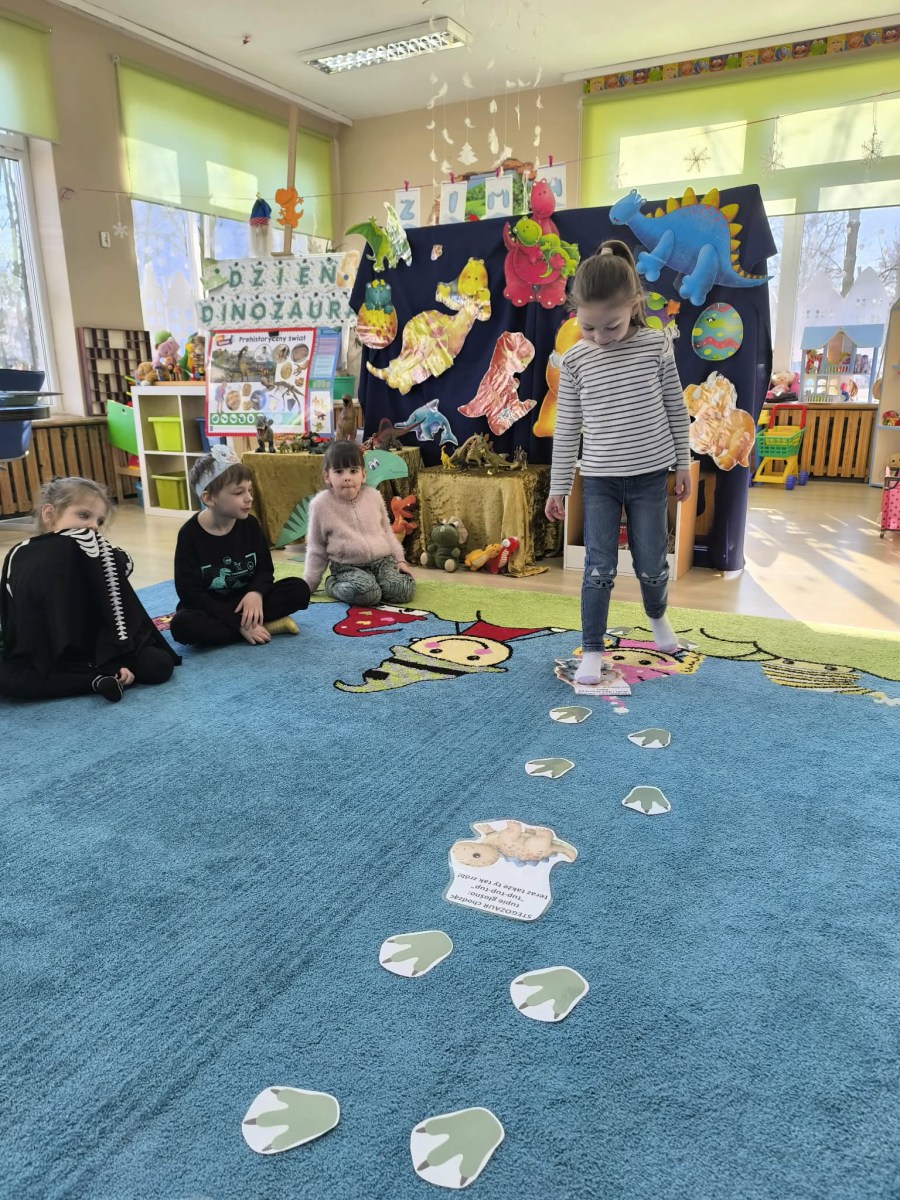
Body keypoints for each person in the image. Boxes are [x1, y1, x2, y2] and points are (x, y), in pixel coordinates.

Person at [545, 240, 692, 685]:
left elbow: (676, 409)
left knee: (651, 563)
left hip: (649, 477)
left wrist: (683, 464)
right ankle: (592, 649)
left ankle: (658, 618)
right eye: (588, 326)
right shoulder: (575, 360)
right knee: (598, 567)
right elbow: (567, 427)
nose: (600, 337)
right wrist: (558, 487)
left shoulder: (655, 346)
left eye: (611, 326)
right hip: (600, 482)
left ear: (634, 305)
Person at [0, 477, 180, 702]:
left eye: (99, 521)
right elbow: (25, 622)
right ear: (49, 514)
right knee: (9, 678)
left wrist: (112, 659)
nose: (93, 526)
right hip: (51, 649)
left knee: (157, 665)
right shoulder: (23, 555)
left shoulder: (97, 555)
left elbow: (114, 612)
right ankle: (95, 681)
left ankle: (100, 674)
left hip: (101, 646)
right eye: (84, 515)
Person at [171, 447, 309, 646]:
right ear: (209, 498)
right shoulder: (189, 535)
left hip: (248, 602)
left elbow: (264, 570)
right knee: (182, 626)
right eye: (239, 492)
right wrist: (236, 622)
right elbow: (190, 593)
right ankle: (262, 626)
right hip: (212, 607)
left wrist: (256, 593)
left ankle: (241, 627)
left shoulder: (250, 525)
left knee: (299, 589)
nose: (249, 498)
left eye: (249, 490)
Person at [304, 439, 415, 606]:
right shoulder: (320, 505)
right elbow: (316, 548)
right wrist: (309, 584)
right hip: (348, 567)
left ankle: (376, 583)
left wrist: (400, 560)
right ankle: (333, 584)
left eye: (353, 471)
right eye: (339, 471)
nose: (347, 478)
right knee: (368, 594)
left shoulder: (374, 496)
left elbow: (387, 532)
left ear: (363, 474)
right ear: (327, 476)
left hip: (382, 562)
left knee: (403, 589)